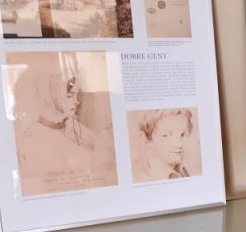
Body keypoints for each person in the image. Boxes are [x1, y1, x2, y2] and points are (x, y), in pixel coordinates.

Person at [13, 51, 116, 195]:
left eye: (76, 95)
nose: (76, 101)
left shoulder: (70, 125)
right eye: (69, 96)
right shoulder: (36, 138)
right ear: (51, 98)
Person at [133, 109, 194, 181]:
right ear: (146, 138)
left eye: (183, 135)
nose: (179, 144)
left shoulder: (184, 172)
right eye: (167, 135)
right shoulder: (141, 179)